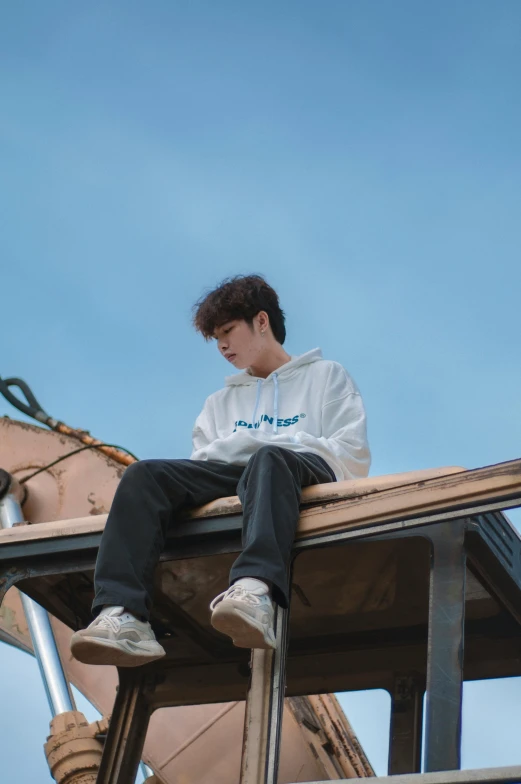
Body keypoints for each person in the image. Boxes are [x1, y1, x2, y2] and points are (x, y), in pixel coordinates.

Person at [70, 274, 371, 667]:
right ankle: (123, 616)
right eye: (216, 338)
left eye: (228, 331)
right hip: (240, 477)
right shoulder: (219, 402)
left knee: (270, 460)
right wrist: (252, 448)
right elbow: (204, 464)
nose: (223, 345)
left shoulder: (327, 375)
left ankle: (254, 591)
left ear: (261, 322)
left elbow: (352, 455)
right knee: (144, 475)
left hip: (306, 471)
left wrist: (273, 445)